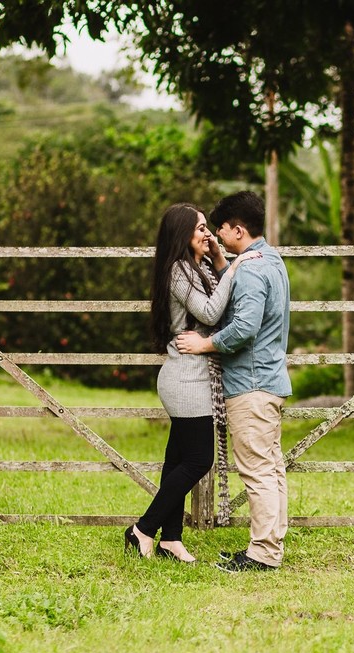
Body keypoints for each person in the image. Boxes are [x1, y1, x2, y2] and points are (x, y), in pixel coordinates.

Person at [124, 202, 259, 563]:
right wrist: (236, 267)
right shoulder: (178, 271)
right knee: (199, 460)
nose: (208, 234)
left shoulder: (197, 268)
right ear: (182, 234)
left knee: (177, 460)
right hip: (185, 379)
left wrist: (220, 261)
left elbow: (219, 305)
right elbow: (211, 312)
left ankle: (170, 538)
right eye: (200, 228)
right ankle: (142, 529)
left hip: (193, 376)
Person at [175, 191, 291, 572]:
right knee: (271, 469)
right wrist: (224, 262)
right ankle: (271, 545)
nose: (217, 237)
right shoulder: (269, 260)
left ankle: (263, 554)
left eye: (221, 230)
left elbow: (244, 326)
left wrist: (204, 344)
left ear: (238, 230)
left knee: (258, 472)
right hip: (269, 381)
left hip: (251, 386)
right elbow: (243, 295)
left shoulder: (253, 269)